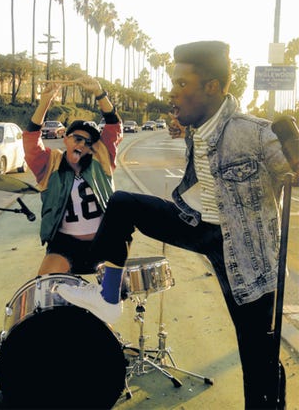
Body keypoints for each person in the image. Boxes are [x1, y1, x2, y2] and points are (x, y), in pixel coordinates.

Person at [58, 41, 293, 408]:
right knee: (122, 204)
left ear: (212, 87)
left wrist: (292, 142)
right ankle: (107, 297)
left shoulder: (258, 134)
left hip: (247, 259)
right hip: (200, 226)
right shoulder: (198, 126)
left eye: (182, 84)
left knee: (258, 361)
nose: (172, 91)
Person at [23, 76, 123, 277]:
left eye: (88, 142)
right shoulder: (49, 164)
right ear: (66, 140)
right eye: (77, 138)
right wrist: (45, 102)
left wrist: (99, 93)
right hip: (64, 244)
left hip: (103, 243)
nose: (81, 145)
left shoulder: (101, 160)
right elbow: (31, 139)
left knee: (110, 301)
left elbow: (113, 125)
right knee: (45, 291)